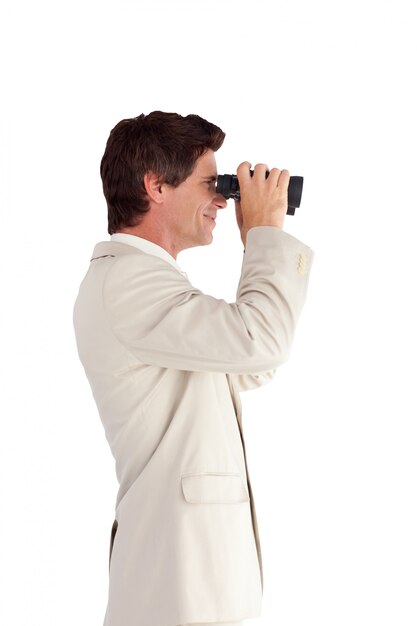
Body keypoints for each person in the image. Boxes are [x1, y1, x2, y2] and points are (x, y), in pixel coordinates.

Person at [73, 111, 314, 626]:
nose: (224, 202)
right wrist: (267, 237)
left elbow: (247, 367)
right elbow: (260, 343)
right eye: (212, 184)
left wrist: (260, 244)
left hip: (187, 578)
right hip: (179, 581)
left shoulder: (147, 284)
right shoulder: (130, 282)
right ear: (156, 186)